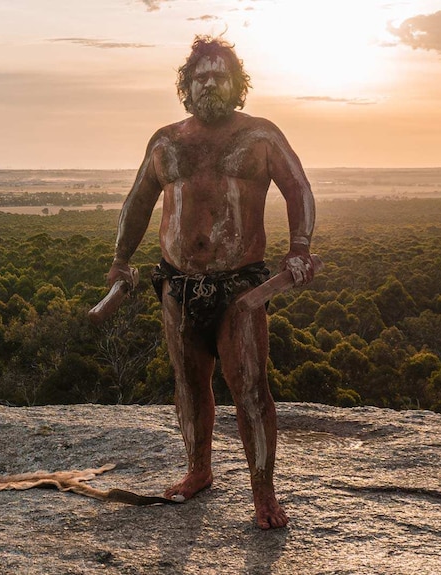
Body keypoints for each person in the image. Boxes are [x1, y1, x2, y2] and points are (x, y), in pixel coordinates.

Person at [107, 35, 315, 529]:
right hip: (178, 286)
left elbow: (298, 188)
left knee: (248, 387)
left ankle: (263, 494)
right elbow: (137, 204)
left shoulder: (259, 136)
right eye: (200, 76)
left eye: (220, 75)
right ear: (186, 85)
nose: (209, 84)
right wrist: (120, 260)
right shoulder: (166, 141)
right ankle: (199, 470)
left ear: (237, 83)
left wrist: (300, 247)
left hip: (240, 290)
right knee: (188, 382)